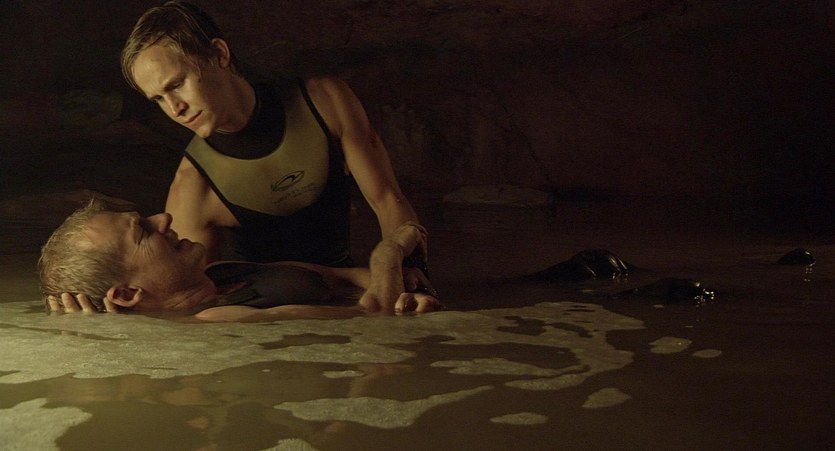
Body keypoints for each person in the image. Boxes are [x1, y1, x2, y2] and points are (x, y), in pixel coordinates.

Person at [117, 1, 432, 308]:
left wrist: (410, 273)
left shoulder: (325, 103)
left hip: (354, 299)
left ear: (219, 54)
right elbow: (183, 300)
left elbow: (388, 200)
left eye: (176, 85)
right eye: (158, 99)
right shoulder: (193, 185)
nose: (174, 108)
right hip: (268, 327)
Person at [39, 199, 440, 322]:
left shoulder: (221, 273)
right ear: (128, 293)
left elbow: (344, 277)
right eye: (143, 231)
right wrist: (389, 254)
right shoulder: (217, 319)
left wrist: (404, 284)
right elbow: (373, 317)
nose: (163, 219)